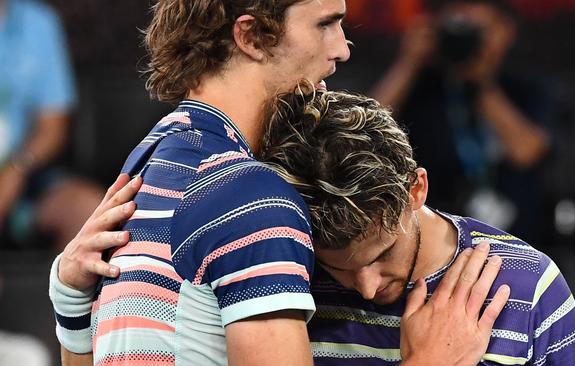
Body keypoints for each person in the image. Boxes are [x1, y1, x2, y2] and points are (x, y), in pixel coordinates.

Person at [48, 1, 508, 365]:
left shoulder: (150, 156)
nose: (343, 49)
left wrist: (70, 300)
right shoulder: (254, 197)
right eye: (325, 23)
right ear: (250, 36)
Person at [259, 87, 575, 365]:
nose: (367, 288)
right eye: (337, 267)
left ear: (415, 189)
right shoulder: (288, 282)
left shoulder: (530, 287)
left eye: (382, 255)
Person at [371, 0, 552, 243]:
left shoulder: (529, 89)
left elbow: (527, 152)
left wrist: (481, 84)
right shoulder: (419, 88)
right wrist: (408, 63)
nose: (467, 41)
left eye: (479, 31)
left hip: (516, 231)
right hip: (429, 228)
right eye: (459, 30)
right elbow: (366, 131)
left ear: (505, 32)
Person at [0, 0, 103, 251]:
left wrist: (17, 168)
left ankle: (64, 290)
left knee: (90, 213)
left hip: (24, 176)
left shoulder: (38, 22)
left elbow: (53, 126)